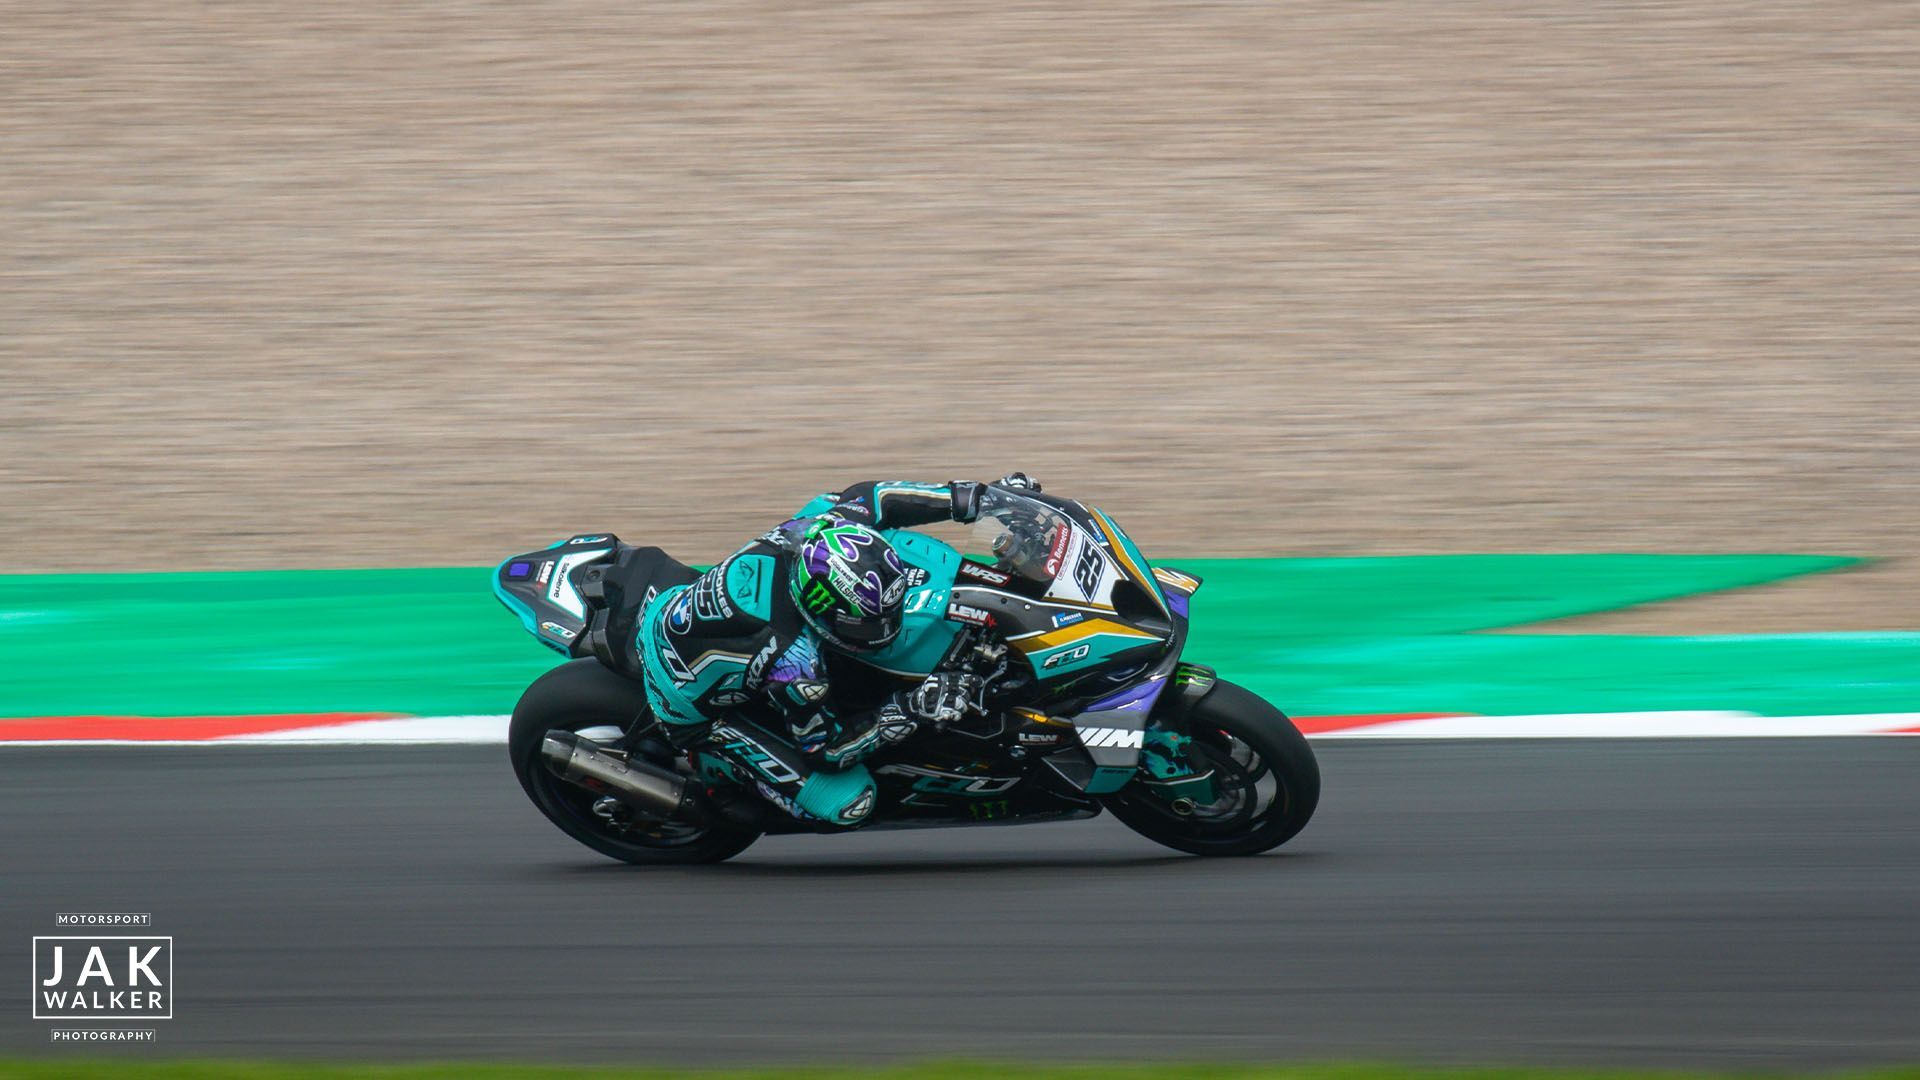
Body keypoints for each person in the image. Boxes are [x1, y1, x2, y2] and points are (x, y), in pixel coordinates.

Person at [633, 476, 1039, 828]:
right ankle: (723, 779)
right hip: (692, 707)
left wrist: (975, 499)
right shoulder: (795, 665)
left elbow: (873, 496)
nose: (887, 628)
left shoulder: (821, 526)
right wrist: (912, 707)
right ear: (820, 610)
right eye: (866, 624)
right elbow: (828, 751)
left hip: (688, 613)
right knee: (850, 804)